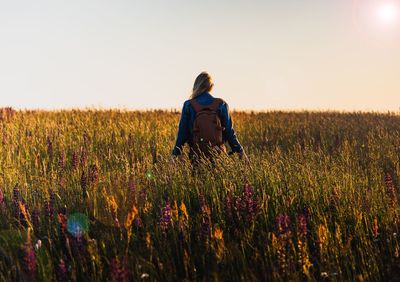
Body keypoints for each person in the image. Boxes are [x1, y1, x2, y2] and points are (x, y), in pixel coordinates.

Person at [172, 71, 247, 162]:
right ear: (210, 86)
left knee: (197, 175)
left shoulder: (189, 105)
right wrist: (240, 151)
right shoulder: (221, 104)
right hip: (218, 156)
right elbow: (229, 133)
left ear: (196, 85)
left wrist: (175, 154)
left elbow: (182, 134)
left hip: (196, 156)